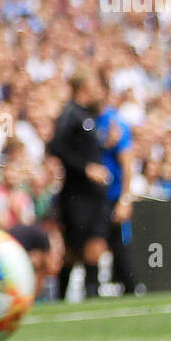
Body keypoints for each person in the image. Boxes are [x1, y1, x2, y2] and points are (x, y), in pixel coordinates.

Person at [48, 70, 112, 299]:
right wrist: (86, 168)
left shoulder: (90, 116)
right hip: (77, 195)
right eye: (95, 84)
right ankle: (65, 298)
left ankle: (91, 296)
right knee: (75, 252)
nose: (100, 89)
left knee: (93, 247)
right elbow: (55, 146)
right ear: (84, 86)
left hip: (94, 195)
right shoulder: (70, 114)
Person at [97, 82, 138, 295]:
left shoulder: (115, 123)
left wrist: (125, 199)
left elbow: (127, 162)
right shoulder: (88, 120)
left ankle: (132, 289)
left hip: (112, 197)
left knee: (120, 248)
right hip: (94, 197)